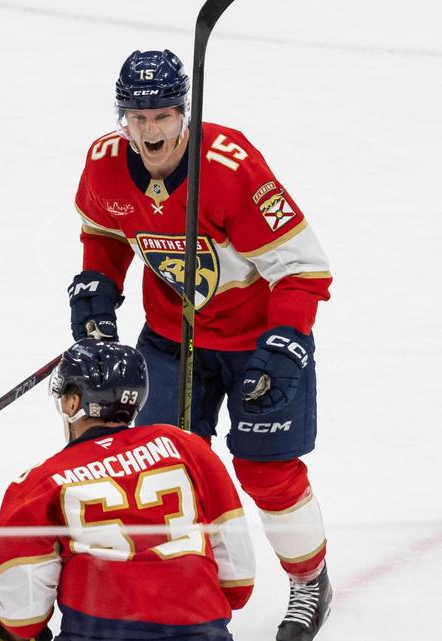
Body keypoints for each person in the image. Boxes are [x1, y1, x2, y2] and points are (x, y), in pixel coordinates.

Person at [65, 50, 334, 641]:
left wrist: (287, 341)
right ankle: (176, 584)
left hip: (253, 341)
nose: (149, 131)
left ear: (183, 113)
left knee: (267, 471)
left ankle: (310, 580)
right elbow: (105, 232)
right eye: (136, 118)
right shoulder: (105, 162)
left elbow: (302, 268)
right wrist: (97, 292)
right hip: (171, 340)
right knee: (157, 464)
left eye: (161, 116)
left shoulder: (231, 167)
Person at [0, 339, 255, 641]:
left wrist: (8, 625)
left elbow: (22, 617)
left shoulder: (40, 483)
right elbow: (238, 582)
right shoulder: (185, 446)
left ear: (72, 403)